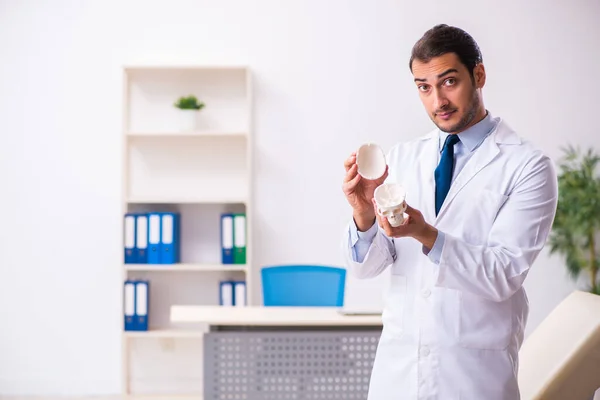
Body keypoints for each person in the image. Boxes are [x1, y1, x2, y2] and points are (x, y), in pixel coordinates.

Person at [341, 24, 558, 400]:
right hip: (399, 375)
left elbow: (503, 275)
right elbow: (368, 267)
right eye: (424, 87)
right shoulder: (404, 157)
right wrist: (363, 216)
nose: (437, 99)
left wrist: (427, 234)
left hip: (472, 379)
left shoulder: (528, 166)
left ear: (479, 75)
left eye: (449, 81)